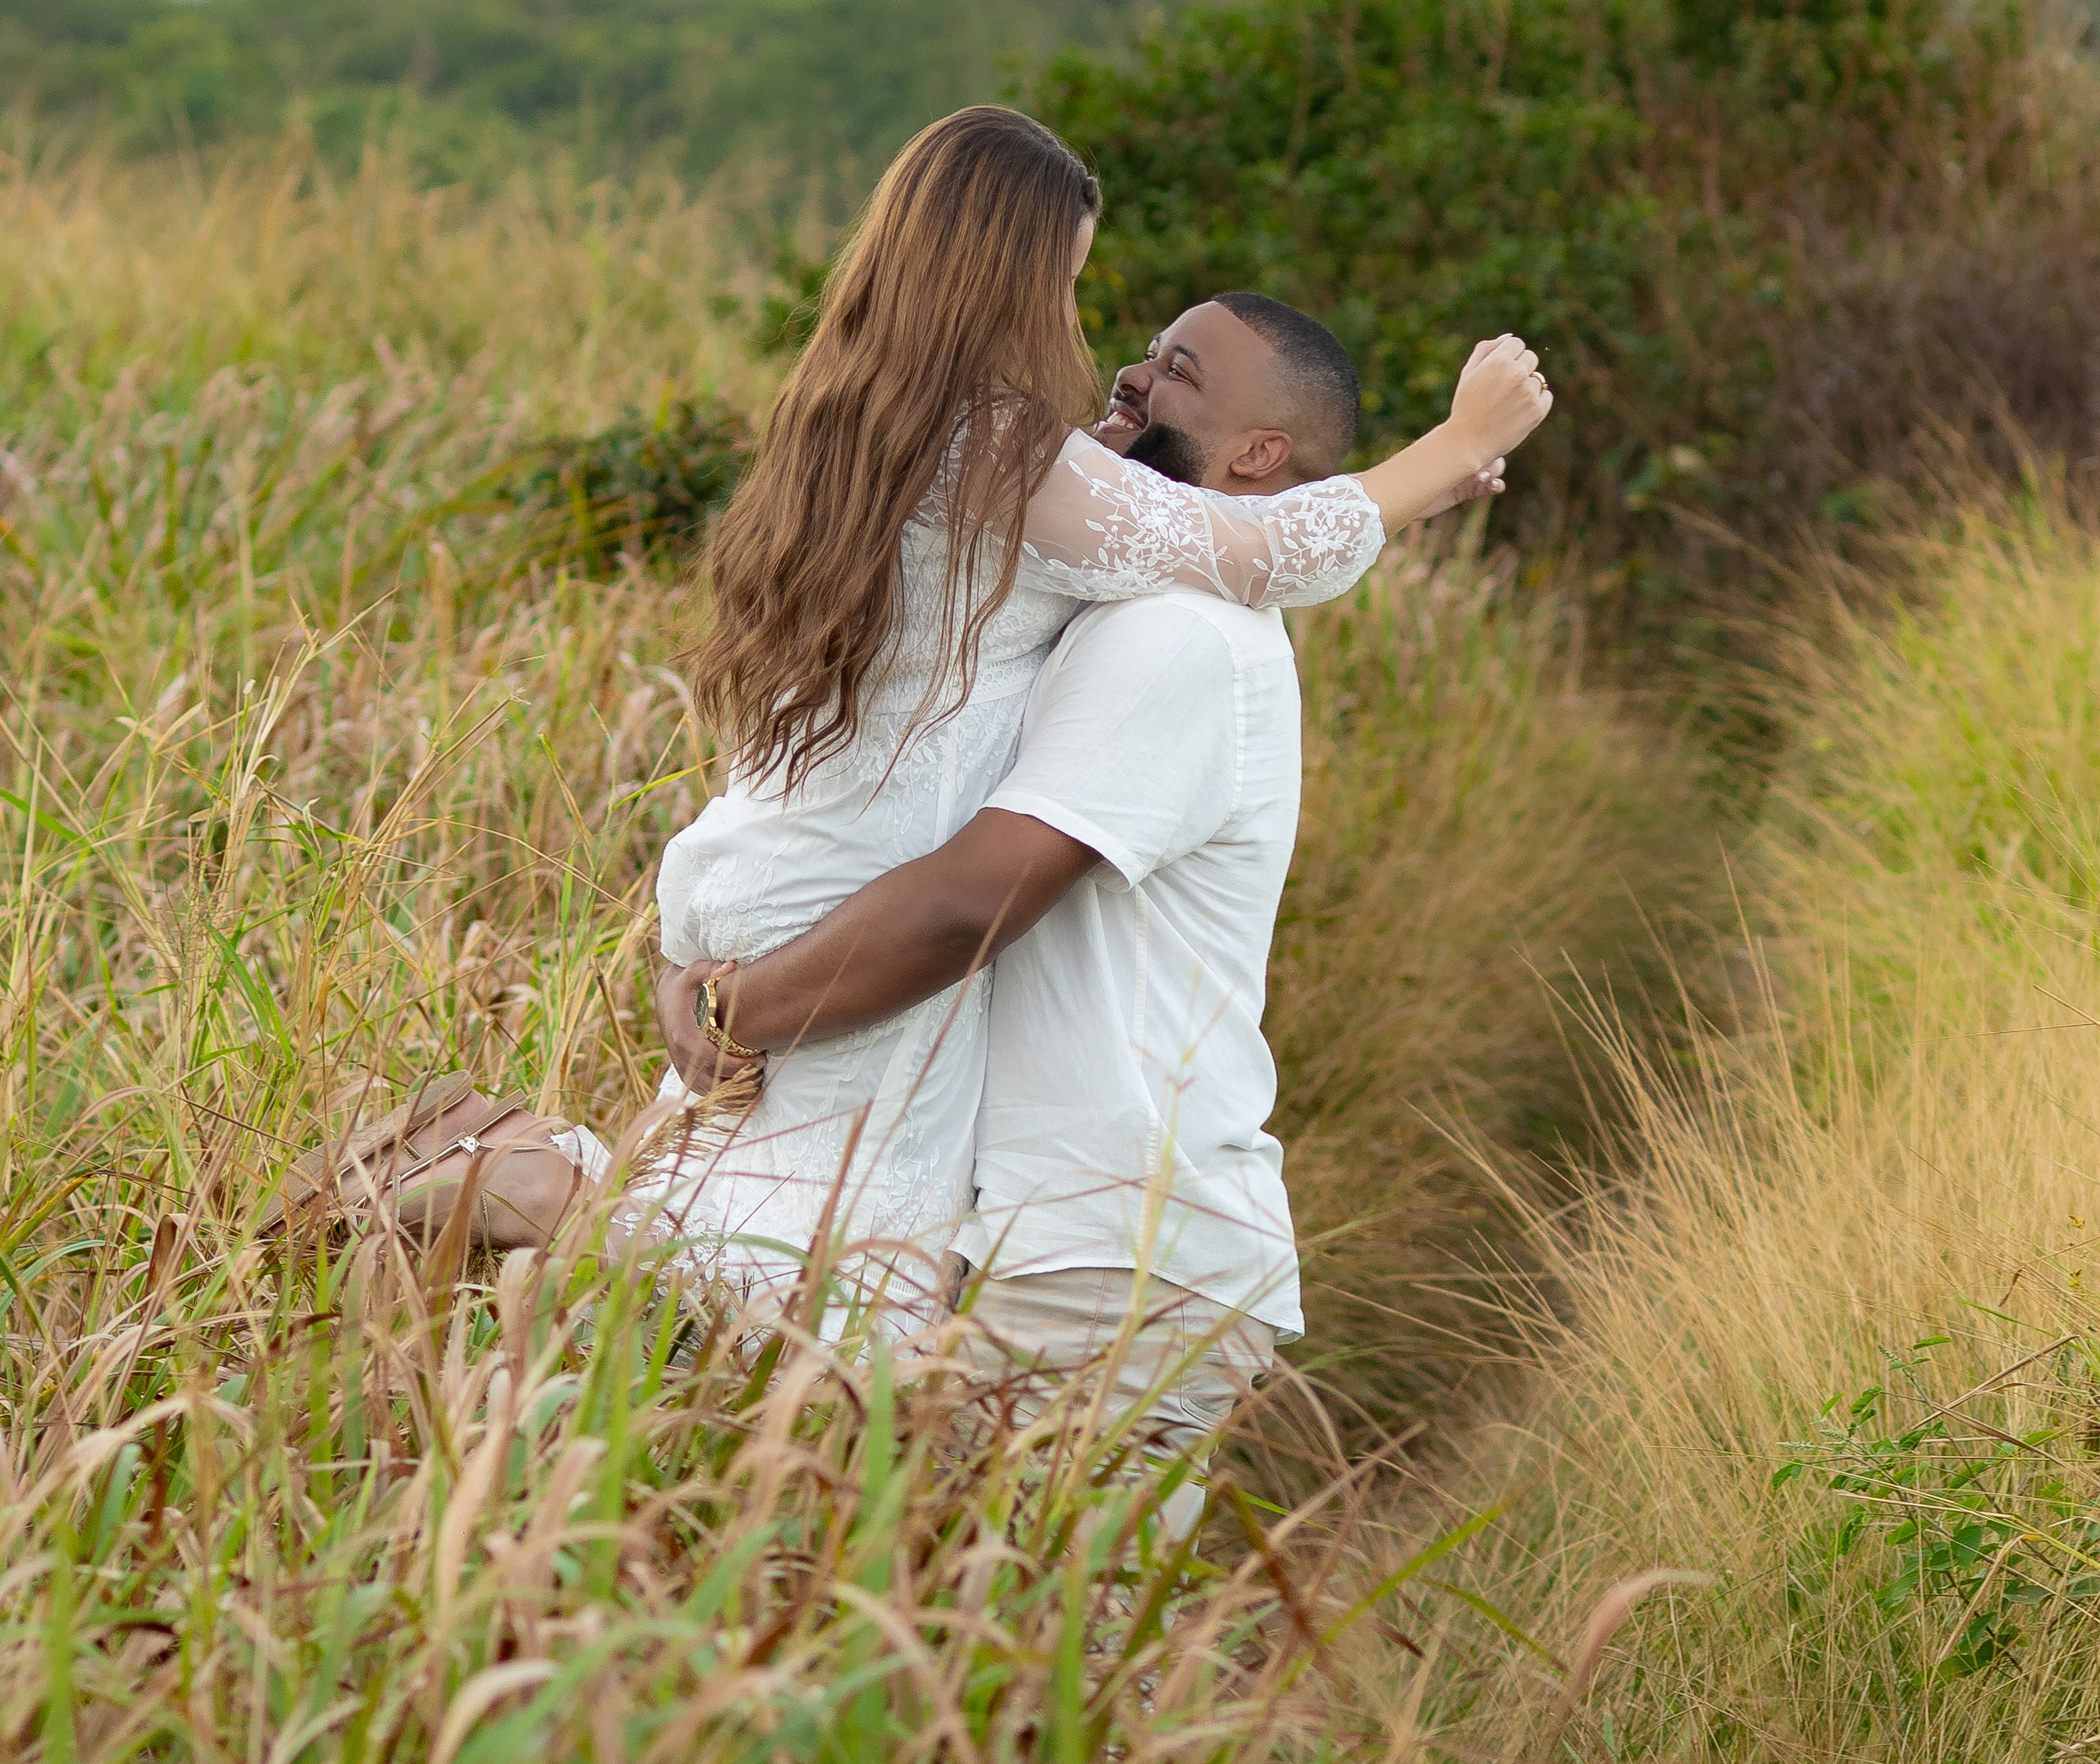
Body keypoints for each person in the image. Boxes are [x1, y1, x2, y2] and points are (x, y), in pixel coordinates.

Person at [337, 104, 1550, 1279]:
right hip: (859, 900)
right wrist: (1451, 442)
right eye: (1067, 283)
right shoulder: (1007, 451)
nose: (1085, 327)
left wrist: (1398, 496)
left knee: (709, 1240)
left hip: (761, 881)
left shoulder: (864, 423)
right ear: (1014, 282)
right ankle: (528, 1178)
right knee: (836, 1282)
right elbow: (1247, 553)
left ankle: (490, 1206)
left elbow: (1195, 518)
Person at [646, 293, 1458, 1491]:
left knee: (1036, 1657)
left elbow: (962, 904)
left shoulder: (1180, 641)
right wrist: (691, 965)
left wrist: (731, 1013)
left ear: (1258, 457)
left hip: (1113, 1256)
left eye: (1179, 372)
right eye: (1146, 351)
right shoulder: (1101, 609)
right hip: (1053, 1239)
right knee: (969, 1655)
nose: (1132, 377)